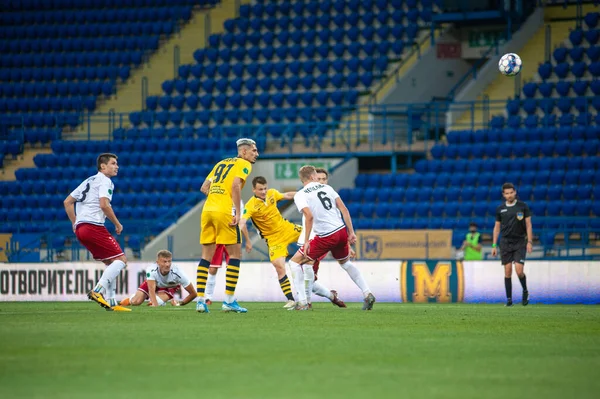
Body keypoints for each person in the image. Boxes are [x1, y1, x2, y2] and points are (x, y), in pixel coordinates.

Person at [289, 165, 375, 311]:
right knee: (346, 264)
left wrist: (307, 240)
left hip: (325, 236)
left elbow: (308, 216)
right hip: (341, 232)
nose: (318, 179)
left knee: (294, 263)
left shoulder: (301, 194)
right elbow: (344, 210)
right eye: (316, 176)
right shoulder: (327, 188)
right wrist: (351, 233)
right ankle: (367, 293)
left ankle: (303, 302)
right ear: (311, 177)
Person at [196, 138, 259, 314]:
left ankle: (200, 301)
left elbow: (204, 187)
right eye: (254, 151)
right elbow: (236, 186)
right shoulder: (244, 164)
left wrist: (216, 197)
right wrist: (238, 213)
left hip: (207, 210)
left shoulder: (221, 163)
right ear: (244, 151)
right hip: (224, 211)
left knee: (206, 257)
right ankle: (229, 301)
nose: (256, 154)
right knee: (235, 254)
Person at [63, 153, 130, 312]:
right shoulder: (105, 181)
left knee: (111, 262)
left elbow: (67, 202)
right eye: (113, 163)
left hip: (81, 228)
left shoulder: (89, 180)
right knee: (121, 260)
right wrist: (117, 223)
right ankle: (97, 291)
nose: (117, 166)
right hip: (93, 226)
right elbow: (104, 205)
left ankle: (112, 302)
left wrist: (75, 222)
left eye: (116, 163)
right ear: (103, 166)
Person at [238, 176, 299, 309]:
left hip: (287, 228)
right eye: (260, 189)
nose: (264, 191)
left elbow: (287, 195)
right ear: (254, 190)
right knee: (279, 266)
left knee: (311, 235)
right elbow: (242, 221)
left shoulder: (272, 193)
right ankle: (291, 299)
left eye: (265, 188)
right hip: (273, 239)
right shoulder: (251, 205)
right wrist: (243, 236)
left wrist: (303, 193)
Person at [298, 168, 347, 308]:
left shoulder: (330, 196)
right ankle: (331, 296)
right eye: (318, 179)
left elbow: (336, 223)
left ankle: (306, 303)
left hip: (321, 239)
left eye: (323, 179)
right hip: (307, 238)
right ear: (313, 178)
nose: (320, 181)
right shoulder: (305, 195)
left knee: (305, 269)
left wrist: (346, 245)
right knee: (308, 280)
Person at [491, 182, 533, 307]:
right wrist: (494, 245)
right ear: (503, 195)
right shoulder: (500, 209)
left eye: (511, 193)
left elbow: (528, 225)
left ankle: (525, 290)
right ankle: (509, 300)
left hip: (520, 241)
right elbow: (496, 228)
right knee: (507, 271)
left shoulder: (522, 207)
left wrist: (529, 241)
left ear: (515, 192)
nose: (509, 195)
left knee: (519, 271)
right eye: (507, 193)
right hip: (505, 242)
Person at [119, 250, 197, 307]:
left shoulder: (178, 273)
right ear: (158, 262)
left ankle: (162, 301)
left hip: (170, 287)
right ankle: (130, 299)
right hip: (154, 284)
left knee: (154, 303)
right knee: (136, 302)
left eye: (169, 261)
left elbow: (193, 294)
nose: (167, 264)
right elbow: (151, 289)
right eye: (164, 261)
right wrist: (155, 305)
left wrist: (180, 304)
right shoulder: (151, 270)